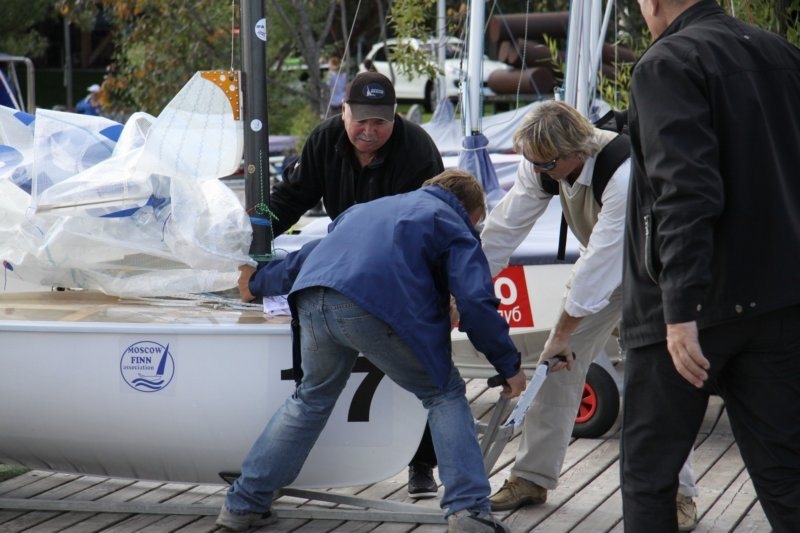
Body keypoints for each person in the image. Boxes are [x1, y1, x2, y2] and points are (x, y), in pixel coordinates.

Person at [216, 169, 526, 532]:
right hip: (370, 306)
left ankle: (244, 504)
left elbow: (309, 256)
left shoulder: (366, 209)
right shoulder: (452, 222)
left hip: (312, 298)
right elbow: (474, 301)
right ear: (468, 210)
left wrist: (257, 282)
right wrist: (508, 365)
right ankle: (470, 513)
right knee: (444, 394)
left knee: (310, 400)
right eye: (476, 221)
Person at [621, 1, 800, 532]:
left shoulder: (665, 64)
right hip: (777, 302)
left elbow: (685, 191)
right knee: (788, 473)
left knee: (651, 477)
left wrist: (679, 310)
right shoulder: (783, 54)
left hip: (687, 311)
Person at [480, 100, 698, 530]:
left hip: (654, 274)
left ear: (576, 152)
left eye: (546, 165)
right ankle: (532, 476)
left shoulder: (623, 171)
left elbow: (599, 264)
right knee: (554, 366)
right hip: (605, 267)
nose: (537, 171)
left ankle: (678, 493)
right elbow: (503, 228)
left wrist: (563, 331)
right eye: (532, 162)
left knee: (658, 383)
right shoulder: (542, 162)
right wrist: (465, 288)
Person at [268, 71, 446, 496]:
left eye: (379, 122)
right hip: (343, 269)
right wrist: (251, 236)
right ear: (344, 111)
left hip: (403, 270)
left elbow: (436, 225)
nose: (369, 130)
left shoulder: (419, 150)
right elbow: (291, 198)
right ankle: (293, 465)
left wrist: (445, 294)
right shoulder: (323, 140)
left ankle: (422, 462)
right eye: (360, 119)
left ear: (395, 117)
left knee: (430, 371)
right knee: (313, 385)